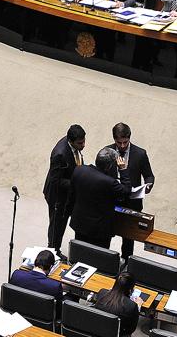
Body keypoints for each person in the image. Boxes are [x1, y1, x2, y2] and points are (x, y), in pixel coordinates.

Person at [109, 123, 155, 258]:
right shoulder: (107, 151)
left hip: (132, 201)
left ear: (129, 138)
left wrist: (149, 184)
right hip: (113, 199)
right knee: (107, 232)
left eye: (125, 142)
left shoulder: (140, 154)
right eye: (119, 143)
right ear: (114, 140)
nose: (122, 146)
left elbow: (149, 175)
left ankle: (126, 261)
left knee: (129, 238)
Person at [69, 147, 130, 248]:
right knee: (99, 258)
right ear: (110, 167)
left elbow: (72, 195)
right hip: (99, 230)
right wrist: (123, 169)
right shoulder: (110, 182)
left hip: (80, 223)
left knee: (79, 253)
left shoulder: (79, 170)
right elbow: (126, 191)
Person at [43, 124, 85, 254]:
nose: (83, 145)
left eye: (84, 141)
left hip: (69, 193)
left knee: (66, 221)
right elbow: (56, 181)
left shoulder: (73, 145)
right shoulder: (59, 154)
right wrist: (76, 182)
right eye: (80, 143)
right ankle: (53, 251)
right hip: (57, 197)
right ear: (70, 141)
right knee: (57, 224)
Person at [94, 272, 141, 336]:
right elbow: (131, 330)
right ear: (130, 290)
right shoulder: (132, 306)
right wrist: (138, 307)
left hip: (96, 331)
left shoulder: (102, 292)